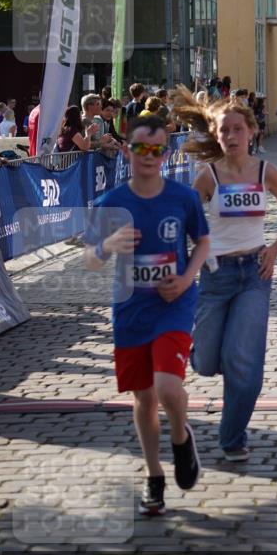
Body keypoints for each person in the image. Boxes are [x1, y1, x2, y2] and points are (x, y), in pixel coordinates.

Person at [84, 114, 210, 515]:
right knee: (143, 398)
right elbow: (88, 259)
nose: (149, 156)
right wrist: (107, 245)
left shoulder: (183, 197)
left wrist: (188, 277)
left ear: (166, 152)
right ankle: (154, 476)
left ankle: (180, 439)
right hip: (130, 311)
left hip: (173, 306)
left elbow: (203, 242)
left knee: (168, 389)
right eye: (141, 148)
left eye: (157, 149)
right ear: (127, 150)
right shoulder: (112, 202)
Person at [173, 89, 277, 461]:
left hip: (254, 276)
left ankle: (232, 437)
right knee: (210, 362)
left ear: (251, 131)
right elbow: (186, 224)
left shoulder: (265, 171)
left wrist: (275, 250)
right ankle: (199, 348)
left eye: (237, 129)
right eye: (223, 130)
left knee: (244, 365)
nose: (230, 136)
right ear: (216, 135)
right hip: (216, 277)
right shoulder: (207, 176)